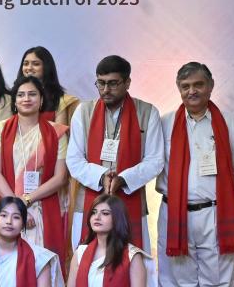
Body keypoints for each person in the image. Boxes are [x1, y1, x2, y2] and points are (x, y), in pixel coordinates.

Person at [157, 62, 234, 286]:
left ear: (211, 85)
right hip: (174, 214)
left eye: (198, 84)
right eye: (185, 86)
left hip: (215, 214)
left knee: (219, 280)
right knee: (175, 280)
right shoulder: (164, 123)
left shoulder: (228, 123)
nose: (192, 91)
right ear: (178, 88)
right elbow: (152, 162)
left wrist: (224, 197)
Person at [65, 55, 164, 251]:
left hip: (130, 198)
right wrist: (101, 177)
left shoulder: (147, 112)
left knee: (131, 261)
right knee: (89, 262)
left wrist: (124, 179)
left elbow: (155, 160)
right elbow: (74, 159)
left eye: (112, 83)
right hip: (89, 202)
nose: (105, 89)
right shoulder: (84, 111)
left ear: (127, 83)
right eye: (100, 83)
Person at [0, 76, 69, 261]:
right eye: (21, 95)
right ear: (15, 101)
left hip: (43, 205)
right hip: (8, 204)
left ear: (41, 99)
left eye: (32, 94)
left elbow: (60, 177)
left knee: (42, 262)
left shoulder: (57, 132)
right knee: (8, 263)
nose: (26, 99)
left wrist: (27, 200)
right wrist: (16, 207)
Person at [0, 197, 61, 287]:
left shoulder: (39, 257)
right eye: (3, 215)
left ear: (23, 225)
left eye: (16, 217)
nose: (9, 221)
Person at [67, 195, 147, 287]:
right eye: (94, 212)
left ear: (118, 218)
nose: (97, 217)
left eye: (105, 213)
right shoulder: (80, 253)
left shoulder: (132, 256)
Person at [19, 47, 79, 126]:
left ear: (46, 67)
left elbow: (59, 131)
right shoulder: (14, 97)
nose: (29, 68)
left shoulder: (61, 100)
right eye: (26, 64)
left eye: (36, 64)